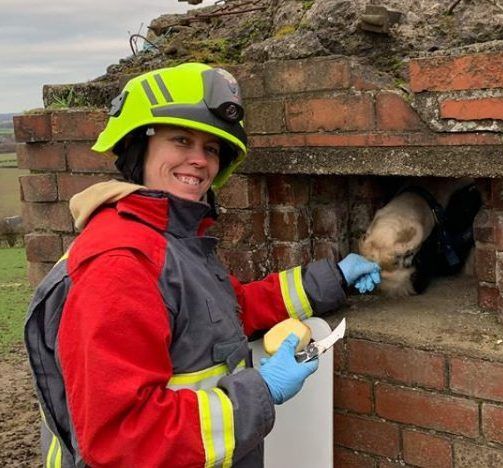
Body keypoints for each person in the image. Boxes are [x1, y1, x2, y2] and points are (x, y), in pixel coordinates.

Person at [24, 62, 381, 468]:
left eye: (210, 148)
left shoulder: (168, 241)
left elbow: (231, 310)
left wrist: (333, 277)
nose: (199, 160)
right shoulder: (120, 263)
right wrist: (261, 389)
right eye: (181, 140)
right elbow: (121, 441)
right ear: (138, 147)